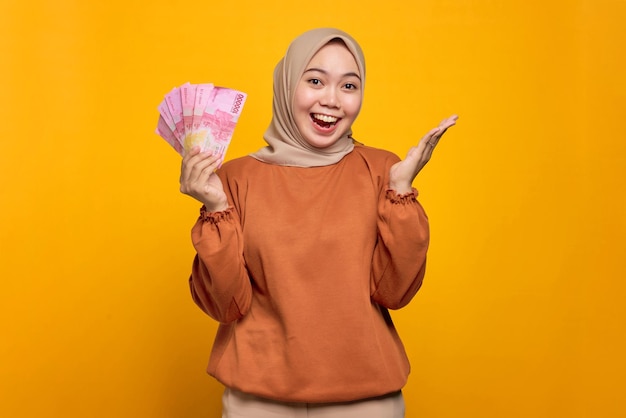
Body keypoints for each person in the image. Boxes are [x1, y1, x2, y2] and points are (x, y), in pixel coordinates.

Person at [179, 27, 457, 418]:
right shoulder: (233, 179)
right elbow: (227, 304)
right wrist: (214, 210)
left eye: (349, 85)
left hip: (366, 400)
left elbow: (395, 292)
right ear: (287, 84)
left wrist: (400, 194)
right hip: (257, 401)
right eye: (315, 81)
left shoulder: (381, 170)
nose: (331, 100)